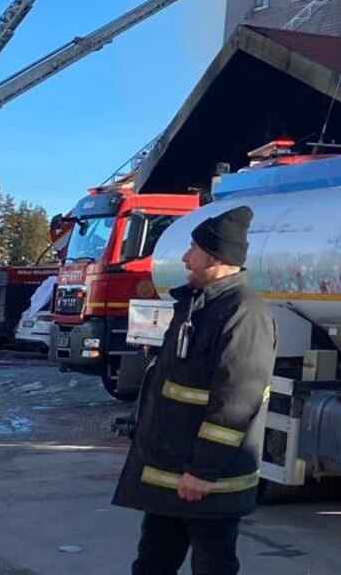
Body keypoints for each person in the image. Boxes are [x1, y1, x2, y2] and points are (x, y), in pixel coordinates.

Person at [113, 207, 276, 575]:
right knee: (153, 562)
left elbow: (237, 400)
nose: (186, 258)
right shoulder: (198, 305)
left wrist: (203, 472)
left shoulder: (244, 313)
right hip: (173, 474)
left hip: (204, 482)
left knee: (212, 565)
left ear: (217, 257)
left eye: (194, 250)